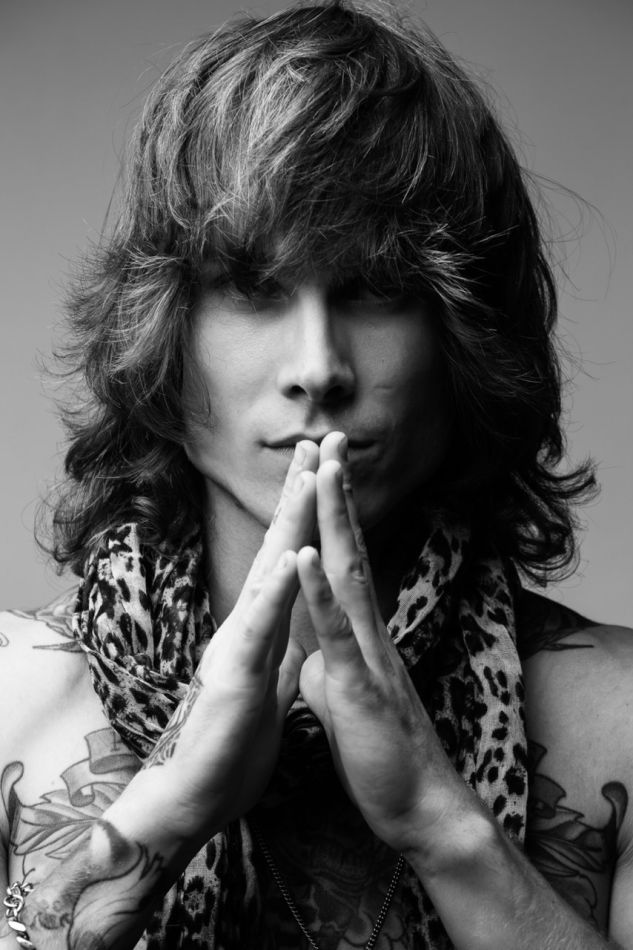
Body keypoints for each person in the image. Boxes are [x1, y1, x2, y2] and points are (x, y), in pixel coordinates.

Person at [1, 2, 631, 947]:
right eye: (253, 288)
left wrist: (440, 826)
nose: (318, 367)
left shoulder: (619, 719)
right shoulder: (9, 701)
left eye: (378, 289)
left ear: (465, 337)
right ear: (162, 334)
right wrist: (168, 810)